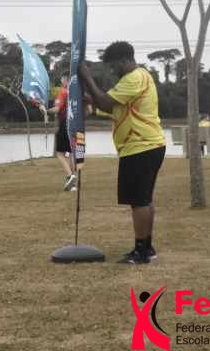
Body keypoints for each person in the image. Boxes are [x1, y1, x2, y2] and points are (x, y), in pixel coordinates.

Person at [78, 41, 166, 265]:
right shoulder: (139, 77)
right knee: (143, 199)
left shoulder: (133, 78)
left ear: (125, 60)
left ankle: (141, 252)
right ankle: (146, 247)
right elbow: (113, 108)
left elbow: (106, 102)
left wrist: (87, 78)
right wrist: (93, 99)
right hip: (145, 145)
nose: (111, 70)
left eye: (113, 65)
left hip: (141, 145)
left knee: (139, 201)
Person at [46, 77, 78, 192]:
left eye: (62, 80)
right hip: (75, 124)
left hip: (65, 124)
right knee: (71, 153)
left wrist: (46, 111)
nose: (61, 82)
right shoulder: (76, 93)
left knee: (59, 153)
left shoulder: (63, 92)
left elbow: (57, 109)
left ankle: (70, 176)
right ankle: (72, 185)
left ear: (66, 80)